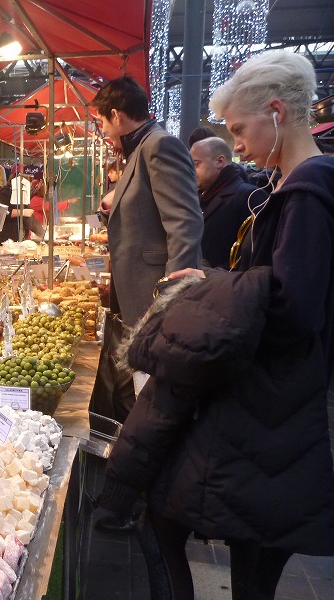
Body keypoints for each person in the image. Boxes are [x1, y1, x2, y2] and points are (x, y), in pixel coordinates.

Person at [98, 50, 334, 600]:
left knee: (178, 521)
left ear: (277, 112)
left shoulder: (309, 193)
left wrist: (206, 287)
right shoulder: (293, 186)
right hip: (270, 400)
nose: (237, 146)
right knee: (235, 546)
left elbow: (290, 306)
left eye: (240, 129)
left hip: (268, 401)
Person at [89, 75, 203, 535]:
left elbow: (186, 221)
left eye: (100, 121)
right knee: (143, 395)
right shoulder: (138, 151)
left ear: (117, 115)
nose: (100, 130)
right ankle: (147, 493)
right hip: (137, 292)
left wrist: (175, 296)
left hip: (156, 296)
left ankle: (158, 503)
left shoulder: (160, 145)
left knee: (153, 399)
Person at [190, 136, 265, 268]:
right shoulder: (200, 196)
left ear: (220, 161)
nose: (191, 171)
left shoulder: (250, 196)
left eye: (196, 164)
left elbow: (255, 255)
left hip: (227, 283)